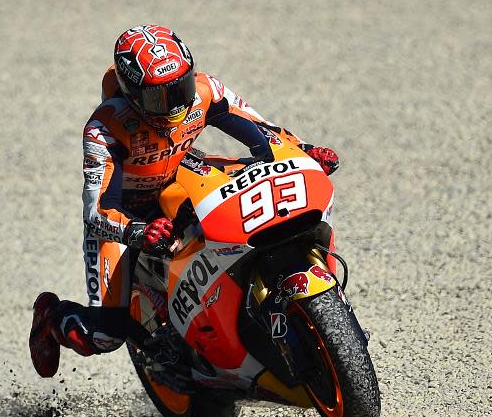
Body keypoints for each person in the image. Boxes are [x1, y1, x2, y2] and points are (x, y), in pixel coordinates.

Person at [29, 24, 339, 378]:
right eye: (159, 97)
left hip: (181, 177)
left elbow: (262, 131)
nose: (175, 103)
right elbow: (96, 209)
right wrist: (137, 230)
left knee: (256, 203)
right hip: (127, 216)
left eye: (181, 87)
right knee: (102, 337)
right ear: (132, 93)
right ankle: (52, 317)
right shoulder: (105, 128)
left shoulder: (206, 91)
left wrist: (305, 152)